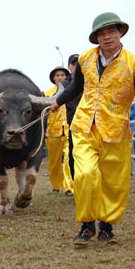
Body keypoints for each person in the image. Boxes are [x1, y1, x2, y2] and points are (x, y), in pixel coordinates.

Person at [51, 12, 135, 246]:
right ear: (95, 38)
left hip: (114, 129)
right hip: (83, 126)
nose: (107, 37)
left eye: (111, 31)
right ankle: (87, 225)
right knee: (84, 175)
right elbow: (75, 88)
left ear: (120, 33)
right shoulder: (85, 59)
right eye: (101, 33)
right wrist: (58, 101)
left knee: (112, 182)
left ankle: (107, 227)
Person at [44, 67, 73, 195]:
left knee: (69, 158)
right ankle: (56, 185)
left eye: (62, 75)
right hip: (52, 131)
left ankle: (69, 187)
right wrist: (44, 130)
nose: (60, 77)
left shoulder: (73, 91)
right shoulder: (46, 93)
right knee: (54, 162)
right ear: (53, 78)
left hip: (69, 129)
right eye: (57, 75)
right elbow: (42, 114)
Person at [60, 54, 82, 185]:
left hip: (93, 125)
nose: (77, 66)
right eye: (74, 64)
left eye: (79, 63)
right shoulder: (64, 84)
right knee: (73, 157)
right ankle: (77, 186)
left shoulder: (91, 79)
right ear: (69, 66)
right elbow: (58, 99)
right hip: (74, 126)